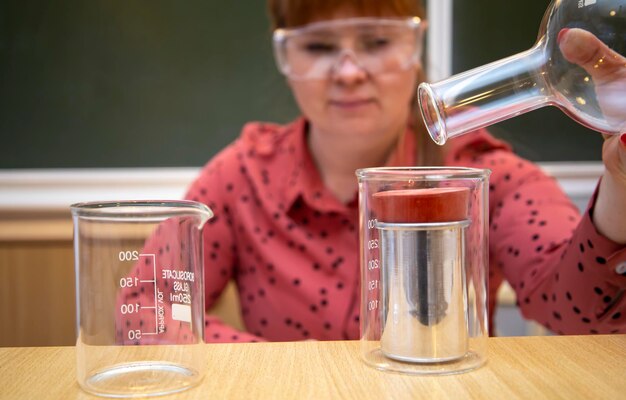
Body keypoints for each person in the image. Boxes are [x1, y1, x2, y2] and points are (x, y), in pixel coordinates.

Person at [122, 0, 626, 344]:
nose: (347, 72)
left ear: (415, 46)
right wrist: (296, 379)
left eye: (377, 41)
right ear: (285, 54)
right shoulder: (244, 176)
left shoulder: (481, 176)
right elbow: (145, 308)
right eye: (318, 47)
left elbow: (581, 313)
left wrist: (621, 181)